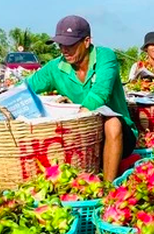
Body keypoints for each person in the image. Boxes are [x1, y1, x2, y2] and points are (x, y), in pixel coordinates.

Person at [25, 15, 138, 180]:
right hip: (81, 136)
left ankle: (107, 190)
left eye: (70, 44)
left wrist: (78, 116)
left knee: (112, 123)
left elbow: (100, 93)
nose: (64, 49)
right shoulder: (55, 67)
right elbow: (26, 87)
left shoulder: (105, 57)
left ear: (86, 42)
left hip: (119, 135)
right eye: (61, 44)